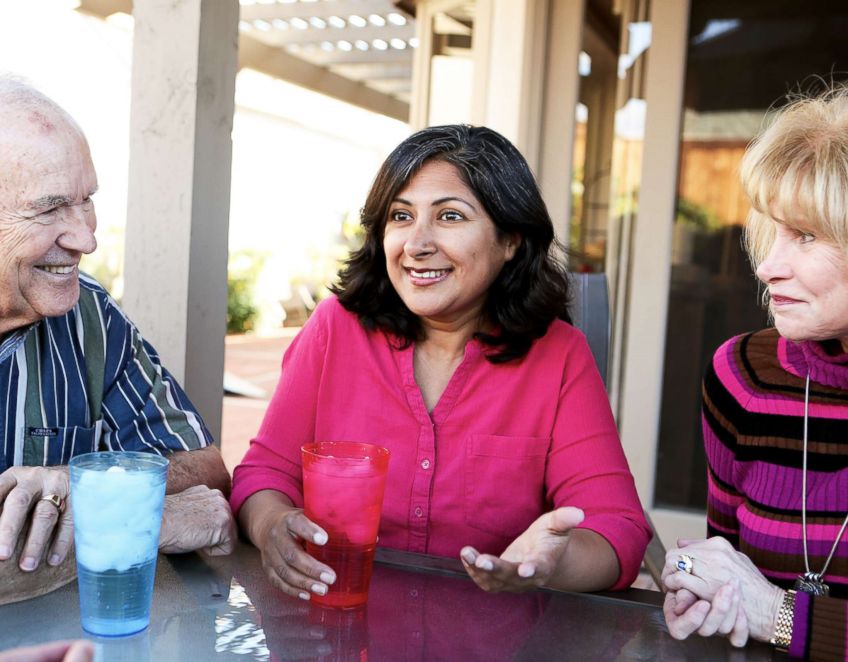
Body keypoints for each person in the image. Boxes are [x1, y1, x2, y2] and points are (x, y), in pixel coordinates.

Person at [0, 75, 235, 623]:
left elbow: (201, 467)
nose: (85, 238)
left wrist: (78, 489)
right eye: (49, 209)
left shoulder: (89, 315)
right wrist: (141, 522)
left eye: (87, 202)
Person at [230, 124, 651, 602]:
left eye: (450, 216)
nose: (416, 244)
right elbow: (264, 474)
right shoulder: (335, 328)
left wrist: (548, 564)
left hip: (491, 641)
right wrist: (272, 526)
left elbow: (618, 530)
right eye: (401, 216)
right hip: (330, 627)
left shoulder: (559, 354)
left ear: (511, 239)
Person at [662, 86, 848, 660]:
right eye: (774, 230)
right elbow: (728, 560)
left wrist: (778, 614)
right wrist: (698, 583)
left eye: (807, 235)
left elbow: (767, 611)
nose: (767, 266)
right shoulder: (744, 376)